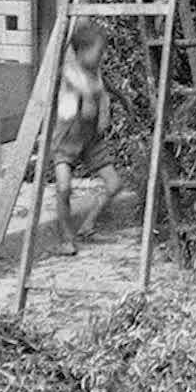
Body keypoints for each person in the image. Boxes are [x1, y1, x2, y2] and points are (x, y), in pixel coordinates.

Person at [47, 22, 129, 254]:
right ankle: (66, 238)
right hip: (66, 141)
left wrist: (109, 108)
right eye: (98, 51)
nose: (101, 57)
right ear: (81, 52)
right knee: (63, 188)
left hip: (90, 141)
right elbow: (87, 96)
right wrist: (98, 101)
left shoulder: (96, 72)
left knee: (114, 184)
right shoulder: (70, 73)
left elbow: (102, 96)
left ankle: (88, 224)